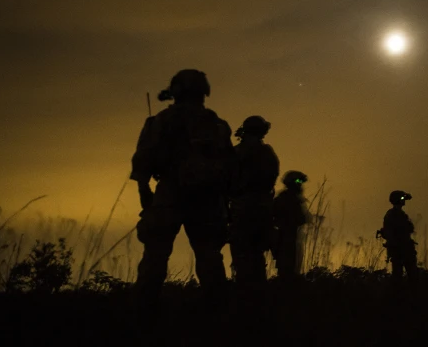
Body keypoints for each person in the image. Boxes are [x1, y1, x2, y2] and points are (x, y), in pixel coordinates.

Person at [130, 69, 235, 310]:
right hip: (208, 199)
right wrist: (224, 201)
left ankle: (143, 312)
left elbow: (143, 158)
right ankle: (219, 313)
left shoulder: (161, 121)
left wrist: (145, 191)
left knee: (155, 255)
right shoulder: (217, 125)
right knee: (209, 257)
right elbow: (230, 166)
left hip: (170, 193)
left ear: (176, 91)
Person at [229, 115, 280, 285]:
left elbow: (226, 180)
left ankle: (245, 290)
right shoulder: (267, 152)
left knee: (242, 254)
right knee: (257, 253)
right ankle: (259, 291)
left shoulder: (235, 153)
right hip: (262, 208)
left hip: (241, 208)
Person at [272, 171, 310, 279]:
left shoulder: (290, 198)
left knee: (292, 270)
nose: (300, 184)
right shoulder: (287, 199)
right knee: (288, 272)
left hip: (292, 239)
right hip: (286, 240)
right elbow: (301, 219)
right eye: (298, 181)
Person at [378, 190, 418, 281]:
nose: (404, 200)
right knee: (398, 276)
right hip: (399, 250)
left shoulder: (400, 214)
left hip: (405, 249)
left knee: (412, 275)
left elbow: (409, 228)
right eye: (402, 198)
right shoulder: (392, 214)